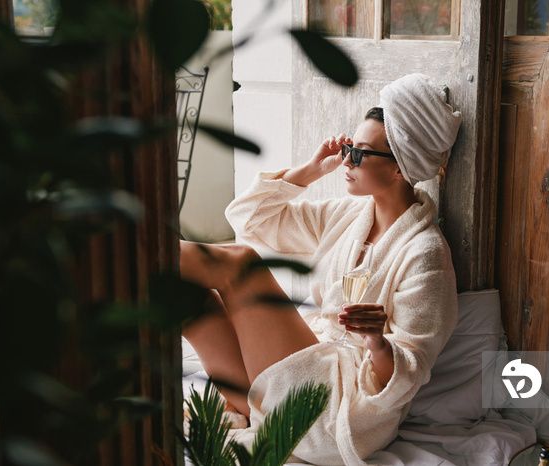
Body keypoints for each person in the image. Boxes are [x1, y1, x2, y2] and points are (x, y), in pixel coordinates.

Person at [180, 73, 462, 465]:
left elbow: (408, 372)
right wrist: (311, 170)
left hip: (340, 410)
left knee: (240, 262)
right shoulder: (350, 217)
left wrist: (377, 341)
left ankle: (108, 248)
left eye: (359, 154)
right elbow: (248, 218)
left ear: (400, 169)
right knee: (185, 299)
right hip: (293, 384)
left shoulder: (425, 255)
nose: (346, 160)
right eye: (349, 147)